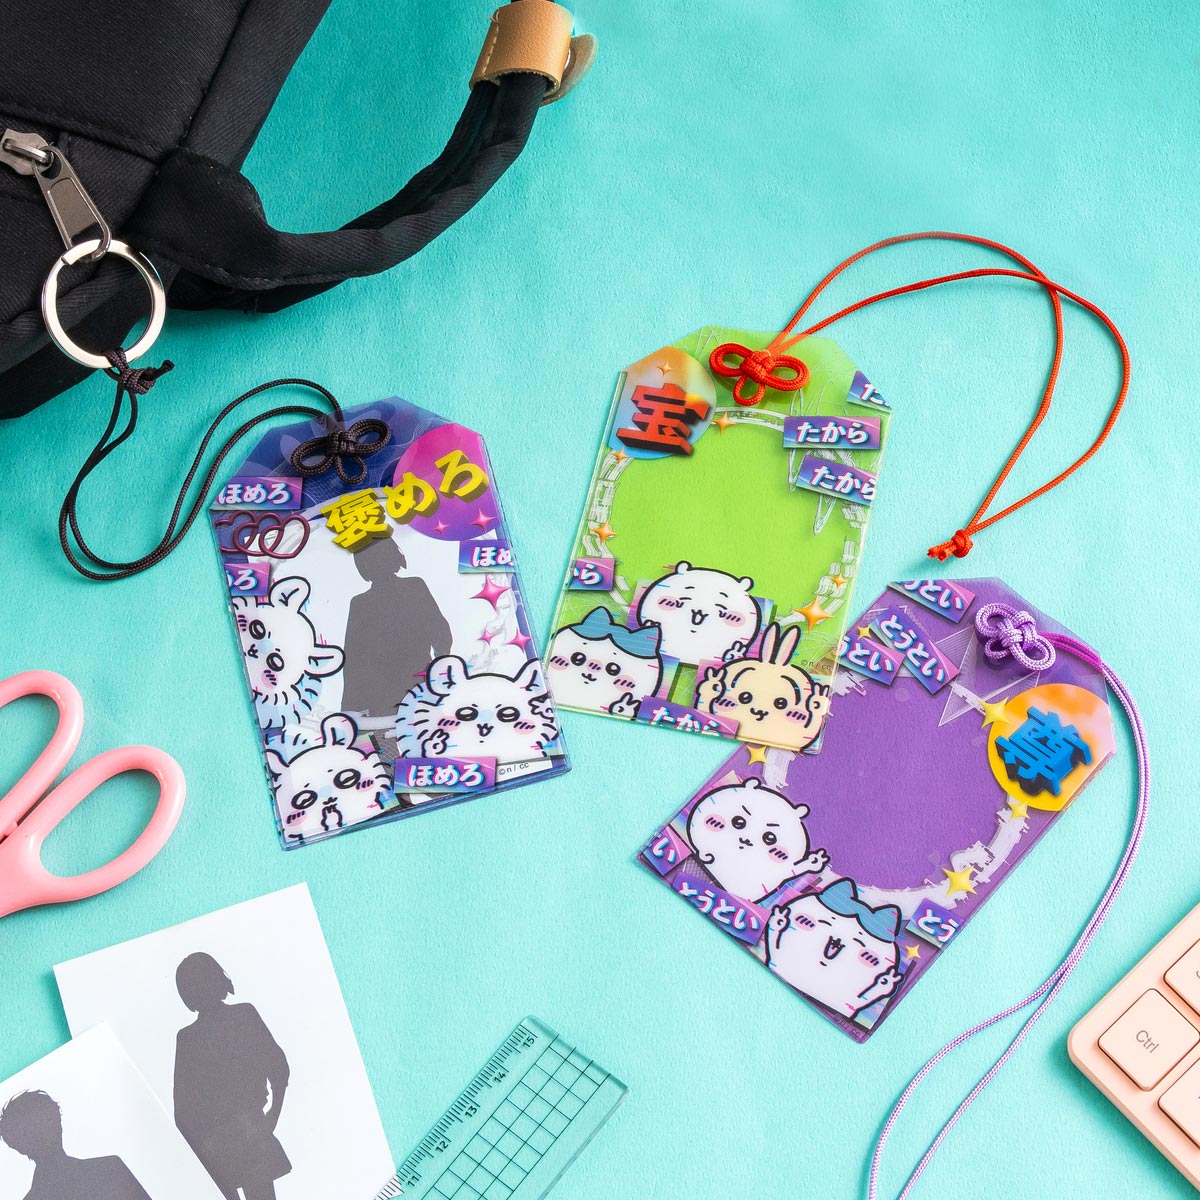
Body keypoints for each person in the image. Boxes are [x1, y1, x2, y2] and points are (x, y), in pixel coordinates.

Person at [172, 953, 291, 1200]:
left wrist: (271, 1117)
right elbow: (182, 1111)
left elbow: (278, 1067)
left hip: (243, 1133)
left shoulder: (242, 1016)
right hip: (221, 1140)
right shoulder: (189, 1038)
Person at [340, 535, 452, 730]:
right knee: (422, 736)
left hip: (392, 690)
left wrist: (349, 709)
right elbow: (440, 631)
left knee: (402, 739)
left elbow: (352, 660)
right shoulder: (413, 587)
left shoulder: (362, 603)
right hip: (406, 686)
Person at [0, 1089, 151, 1200]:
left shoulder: (110, 1169)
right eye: (34, 1130)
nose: (45, 1135)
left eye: (46, 1123)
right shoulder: (109, 1169)